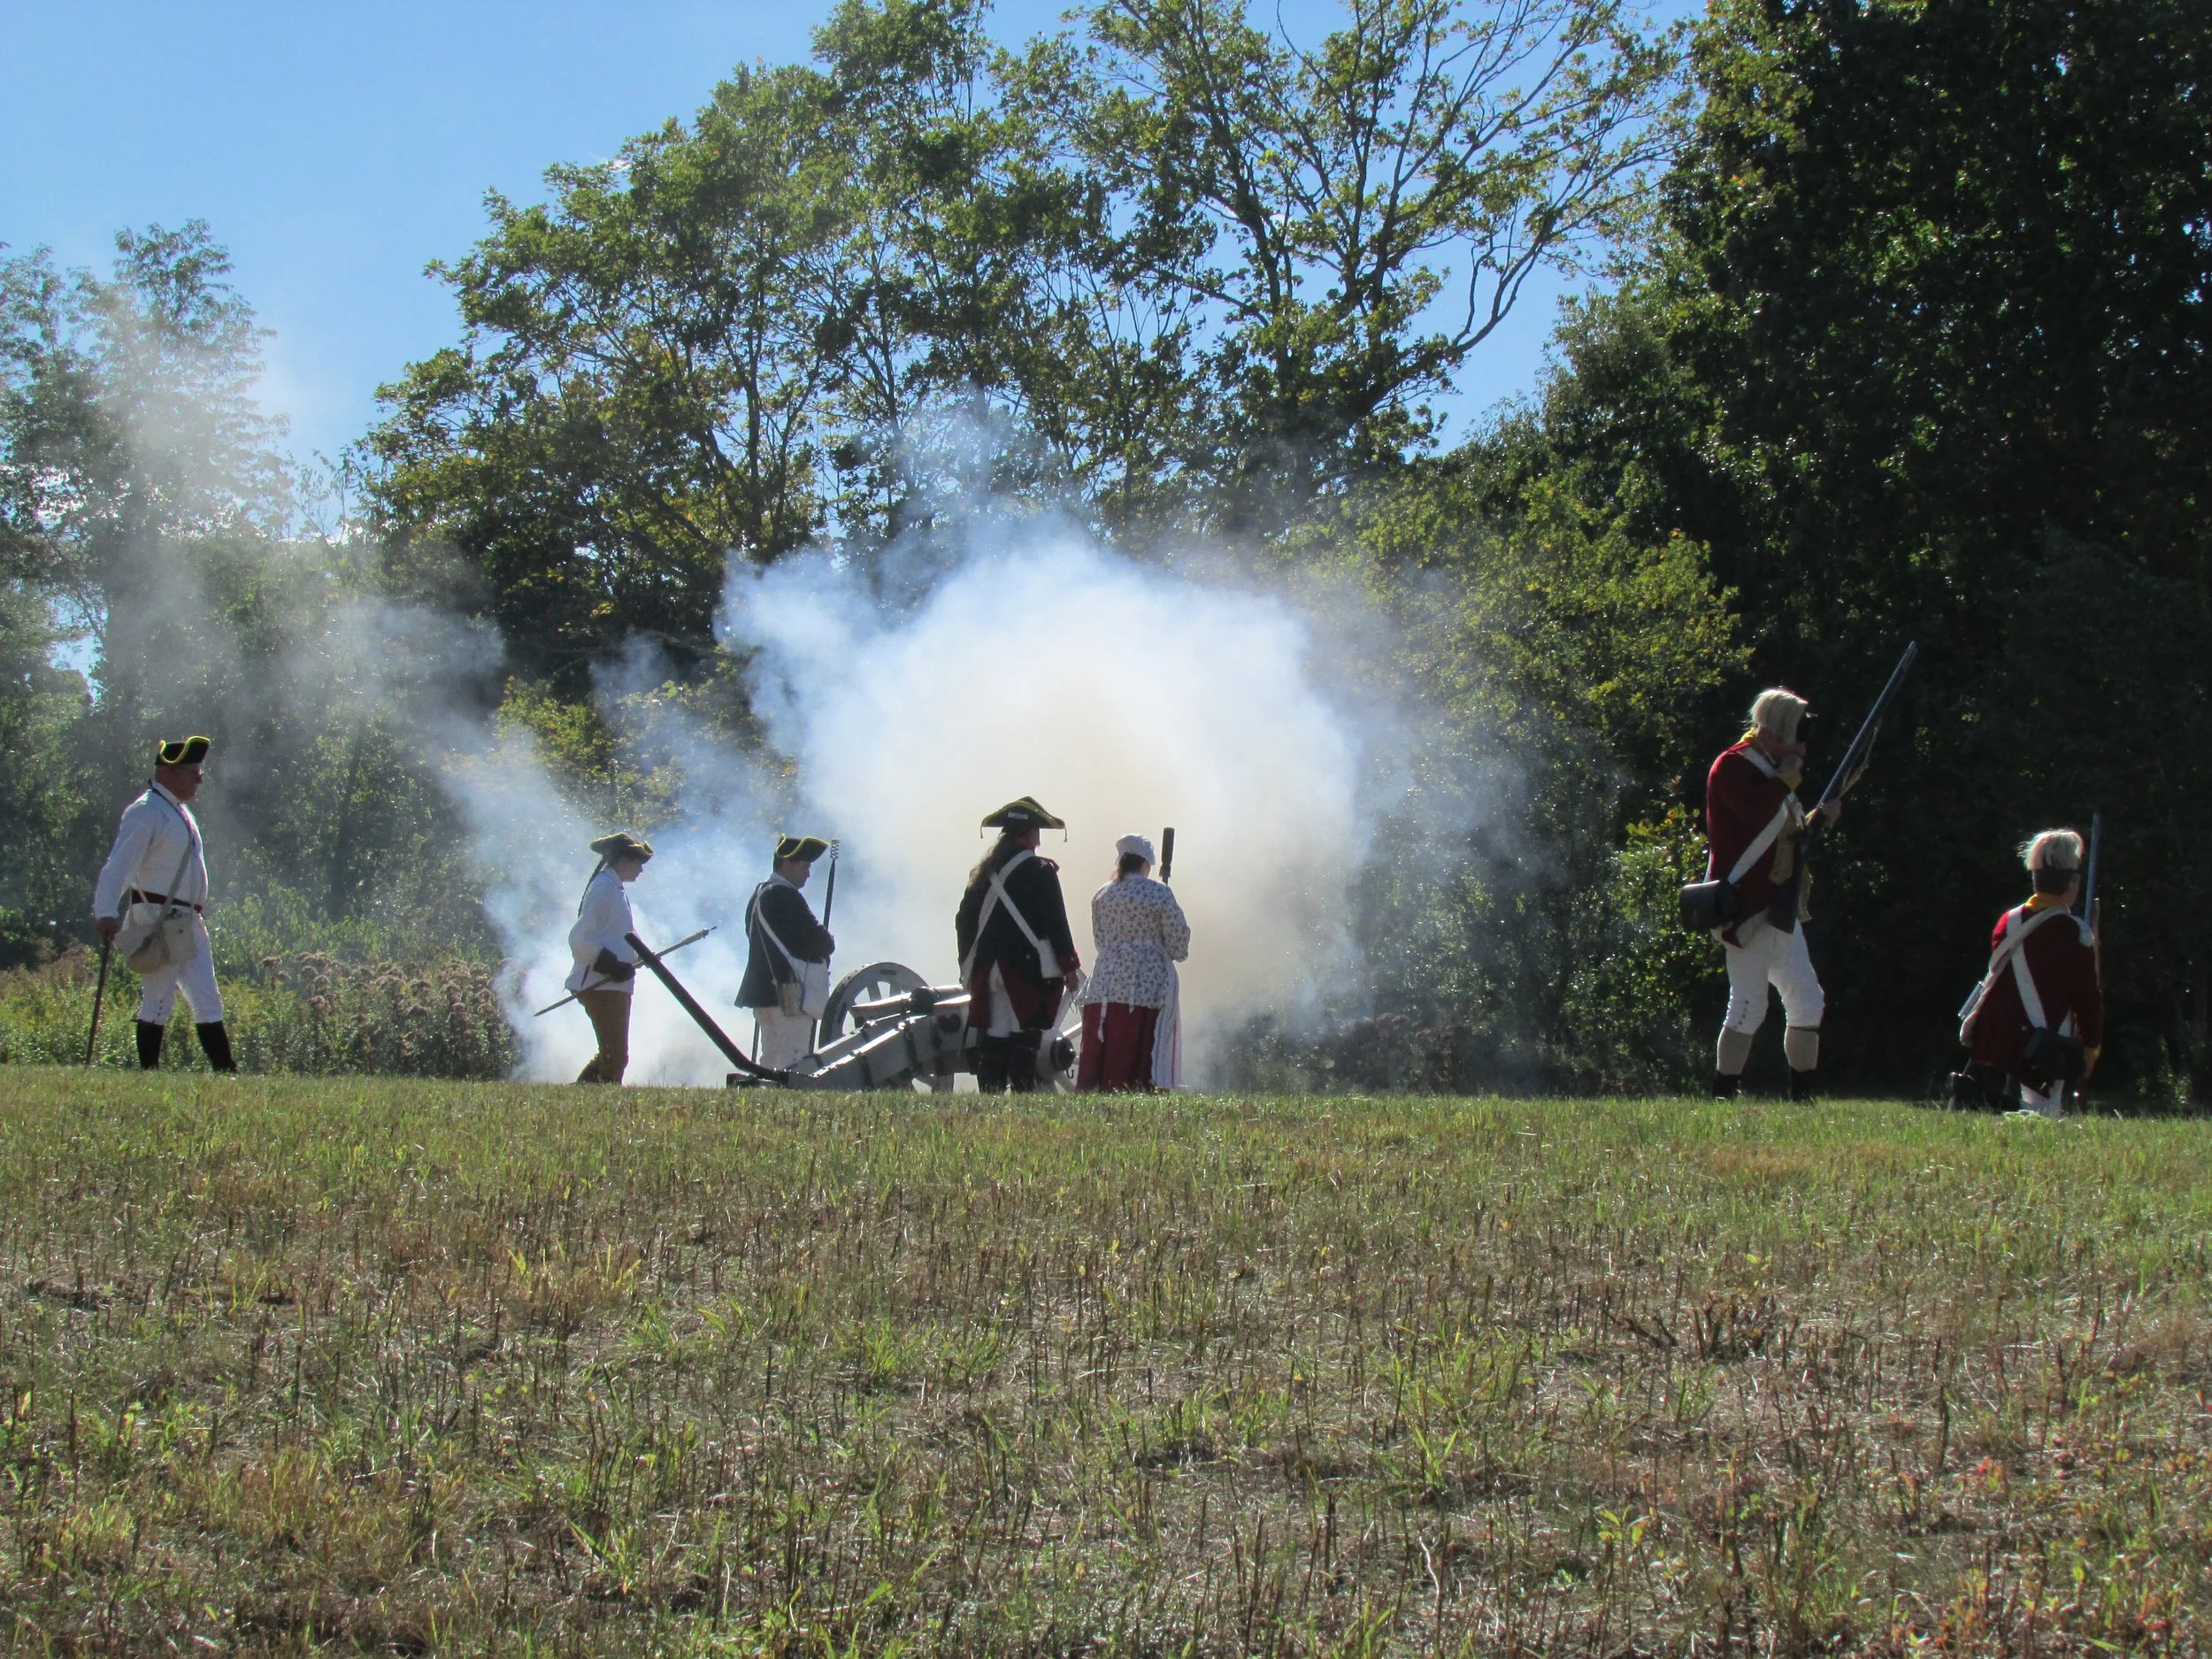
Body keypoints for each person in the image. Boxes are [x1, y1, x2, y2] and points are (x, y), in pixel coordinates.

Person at [1703, 688, 1840, 1100]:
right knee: (1748, 1005)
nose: (1802, 747)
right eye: (1796, 737)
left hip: (1778, 903)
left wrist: (1819, 820)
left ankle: (1803, 1096)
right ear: (1775, 733)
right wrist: (1788, 776)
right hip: (1747, 905)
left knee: (1807, 999)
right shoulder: (1733, 766)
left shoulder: (1770, 770)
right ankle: (1724, 1093)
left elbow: (1787, 836)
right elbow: (1754, 813)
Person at [93, 734, 237, 1073]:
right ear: (171, 772)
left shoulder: (179, 812)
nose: (200, 779)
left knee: (207, 998)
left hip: (186, 920)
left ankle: (225, 1070)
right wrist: (105, 911)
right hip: (157, 917)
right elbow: (119, 866)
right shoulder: (146, 812)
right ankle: (149, 1072)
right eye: (194, 771)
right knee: (158, 1000)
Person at [1951, 829, 2103, 1117]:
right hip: (2041, 1042)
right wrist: (2091, 1048)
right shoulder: (2074, 933)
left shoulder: (2007, 922)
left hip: (1997, 1037)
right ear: (2072, 883)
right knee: (2044, 1122)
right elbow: (2087, 998)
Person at [956, 797, 1081, 1092]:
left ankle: (991, 1094)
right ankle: (1023, 1093)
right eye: (1036, 831)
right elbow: (1056, 923)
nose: (1039, 838)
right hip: (1024, 971)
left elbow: (964, 920)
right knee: (1025, 1035)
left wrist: (969, 962)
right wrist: (1069, 966)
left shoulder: (984, 874)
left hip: (990, 970)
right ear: (1025, 834)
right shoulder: (1040, 871)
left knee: (996, 1034)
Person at [1077, 833, 1192, 1092]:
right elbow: (1179, 943)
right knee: (1137, 1044)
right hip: (1145, 984)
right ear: (1146, 863)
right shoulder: (1159, 893)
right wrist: (1161, 944)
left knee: (1106, 1041)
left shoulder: (1102, 894)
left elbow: (1100, 940)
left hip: (1104, 981)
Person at [738, 833, 836, 1071]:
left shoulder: (760, 893)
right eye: (804, 866)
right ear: (787, 864)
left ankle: (767, 1102)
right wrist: (828, 940)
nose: (808, 873)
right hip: (788, 994)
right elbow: (817, 940)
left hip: (764, 992)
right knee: (794, 1061)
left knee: (770, 1058)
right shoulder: (784, 895)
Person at [567, 832, 652, 1084]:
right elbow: (580, 939)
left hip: (612, 984)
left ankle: (582, 1098)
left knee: (612, 1055)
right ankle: (595, 1105)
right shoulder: (604, 889)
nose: (640, 870)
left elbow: (620, 935)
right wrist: (611, 966)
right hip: (601, 983)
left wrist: (642, 955)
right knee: (614, 1056)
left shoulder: (613, 889)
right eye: (638, 863)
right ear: (624, 861)